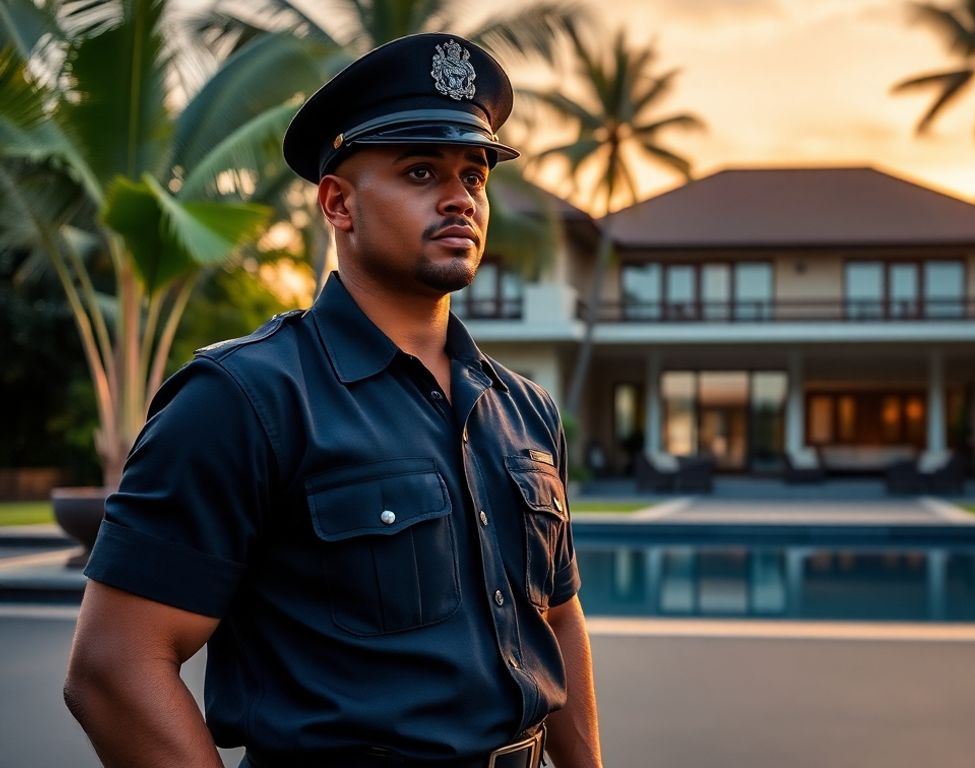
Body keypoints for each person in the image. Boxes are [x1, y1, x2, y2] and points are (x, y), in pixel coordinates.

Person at [64, 32, 603, 768]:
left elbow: (559, 620)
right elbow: (112, 667)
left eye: (473, 176)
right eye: (421, 171)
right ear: (338, 203)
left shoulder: (524, 409)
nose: (459, 198)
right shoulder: (245, 400)